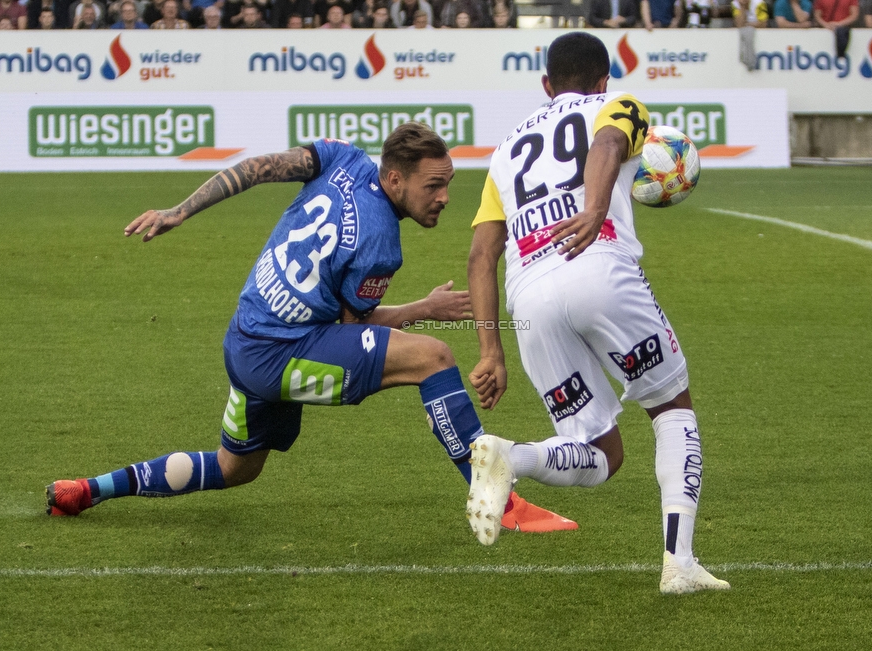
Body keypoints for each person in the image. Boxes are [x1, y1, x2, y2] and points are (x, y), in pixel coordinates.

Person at [46, 122, 576, 537]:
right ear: (395, 179)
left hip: (245, 336)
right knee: (433, 357)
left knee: (236, 468)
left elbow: (256, 168)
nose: (443, 197)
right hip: (281, 354)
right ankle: (494, 499)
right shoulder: (380, 246)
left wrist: (181, 210)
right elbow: (351, 327)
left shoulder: (342, 157)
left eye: (448, 185)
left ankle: (89, 489)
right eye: (433, 185)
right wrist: (423, 307)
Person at [465, 32, 730, 595]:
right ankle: (679, 565)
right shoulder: (622, 105)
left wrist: (491, 351)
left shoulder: (504, 152)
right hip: (596, 262)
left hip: (528, 294)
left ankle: (512, 456)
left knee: (602, 453)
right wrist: (590, 211)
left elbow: (481, 255)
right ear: (604, 80)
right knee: (671, 408)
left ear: (546, 86)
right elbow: (609, 142)